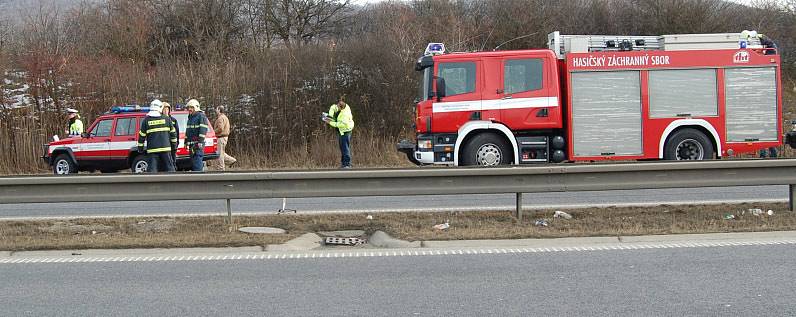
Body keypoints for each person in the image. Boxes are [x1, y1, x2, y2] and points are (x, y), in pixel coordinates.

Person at [137, 99, 177, 172]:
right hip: (166, 149)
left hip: (152, 150)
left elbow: (141, 136)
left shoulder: (146, 120)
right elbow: (173, 134)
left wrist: (140, 149)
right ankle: (172, 182)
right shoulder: (167, 119)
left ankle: (154, 183)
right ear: (160, 108)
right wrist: (174, 146)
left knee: (152, 171)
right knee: (170, 169)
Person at [324, 95, 355, 168]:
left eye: (338, 107)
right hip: (342, 131)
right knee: (342, 147)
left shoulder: (345, 115)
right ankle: (343, 164)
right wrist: (330, 116)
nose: (336, 107)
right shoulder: (344, 106)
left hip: (345, 131)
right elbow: (333, 107)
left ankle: (347, 164)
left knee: (345, 148)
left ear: (341, 108)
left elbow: (340, 125)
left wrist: (330, 122)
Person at [185, 99, 209, 172]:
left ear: (196, 107)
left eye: (191, 107)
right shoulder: (190, 118)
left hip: (198, 144)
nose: (189, 109)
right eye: (188, 107)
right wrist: (186, 142)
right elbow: (188, 131)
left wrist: (199, 143)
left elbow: (203, 131)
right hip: (192, 145)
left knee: (197, 164)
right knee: (194, 164)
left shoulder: (201, 116)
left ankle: (199, 180)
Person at [212, 105, 237, 171]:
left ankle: (221, 168)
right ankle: (231, 160)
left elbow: (220, 128)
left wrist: (213, 132)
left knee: (219, 154)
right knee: (221, 152)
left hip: (221, 138)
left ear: (219, 110)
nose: (215, 110)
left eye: (216, 109)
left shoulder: (220, 118)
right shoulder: (225, 117)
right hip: (224, 138)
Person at [162, 102, 180, 167]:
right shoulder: (160, 120)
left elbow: (177, 133)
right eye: (164, 109)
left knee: (173, 162)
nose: (166, 111)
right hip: (164, 145)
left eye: (167, 109)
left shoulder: (173, 120)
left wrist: (176, 143)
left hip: (172, 145)